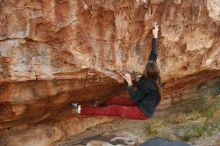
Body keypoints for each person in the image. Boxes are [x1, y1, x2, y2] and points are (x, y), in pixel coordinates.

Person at [71, 24, 161, 120]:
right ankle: (98, 105)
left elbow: (135, 98)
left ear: (147, 72)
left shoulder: (147, 83)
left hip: (143, 111)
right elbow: (154, 54)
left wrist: (130, 82)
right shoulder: (153, 72)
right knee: (114, 100)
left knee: (114, 109)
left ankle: (82, 109)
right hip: (141, 100)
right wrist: (155, 35)